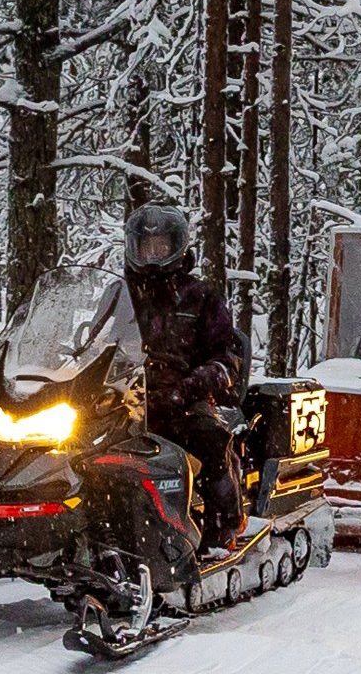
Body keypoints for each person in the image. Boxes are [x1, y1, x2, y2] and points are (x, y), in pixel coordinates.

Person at [122, 204, 245, 552]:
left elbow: (225, 357)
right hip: (125, 397)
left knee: (207, 437)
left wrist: (187, 387)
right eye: (146, 247)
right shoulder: (120, 294)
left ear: (176, 247)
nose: (152, 255)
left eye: (161, 246)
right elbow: (93, 341)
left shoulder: (201, 296)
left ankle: (223, 525)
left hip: (184, 398)